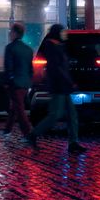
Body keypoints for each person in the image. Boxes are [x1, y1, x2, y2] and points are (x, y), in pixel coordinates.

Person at [24, 24, 87, 154]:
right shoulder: (53, 47)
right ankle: (33, 134)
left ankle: (73, 142)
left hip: (63, 86)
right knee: (55, 115)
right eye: (62, 32)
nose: (65, 34)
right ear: (57, 33)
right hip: (59, 86)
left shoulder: (56, 46)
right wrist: (69, 82)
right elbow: (58, 69)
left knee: (72, 115)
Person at [1, 22, 34, 139]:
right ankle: (7, 130)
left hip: (14, 84)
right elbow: (30, 69)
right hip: (25, 83)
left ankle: (28, 134)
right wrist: (29, 81)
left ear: (14, 33)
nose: (10, 34)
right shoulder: (29, 49)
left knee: (19, 109)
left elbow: (8, 67)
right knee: (15, 107)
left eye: (10, 32)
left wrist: (7, 81)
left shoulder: (10, 48)